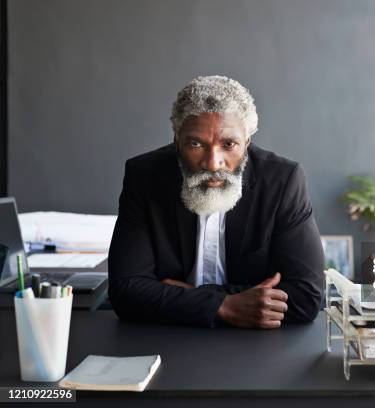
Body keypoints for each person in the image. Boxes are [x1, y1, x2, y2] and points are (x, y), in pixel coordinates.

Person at [108, 75, 325, 329]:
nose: (213, 163)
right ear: (177, 140)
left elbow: (308, 297)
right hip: (168, 340)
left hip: (257, 348)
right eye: (196, 144)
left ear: (247, 141)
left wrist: (189, 296)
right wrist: (225, 305)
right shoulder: (144, 176)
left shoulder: (282, 180)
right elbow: (125, 292)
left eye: (229, 144)